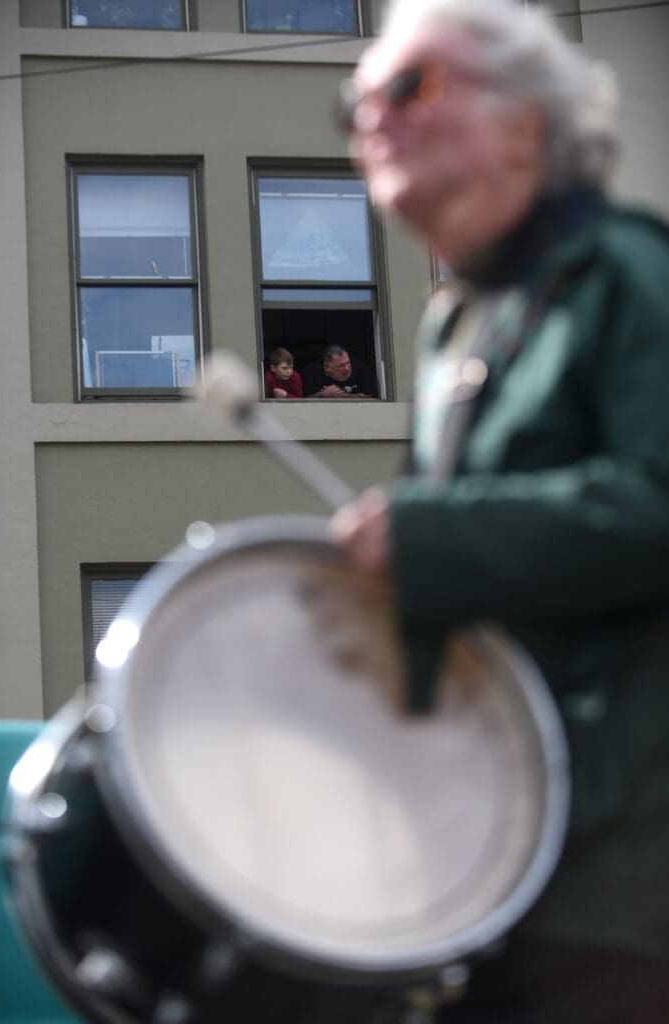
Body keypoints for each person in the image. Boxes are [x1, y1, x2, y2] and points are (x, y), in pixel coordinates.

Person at [329, 0, 669, 1020]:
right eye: (353, 102)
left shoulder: (626, 273)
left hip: (624, 881)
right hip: (492, 859)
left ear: (523, 124)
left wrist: (432, 537)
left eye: (409, 86)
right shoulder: (454, 326)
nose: (371, 117)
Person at [302, 344, 376, 398]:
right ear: (327, 367)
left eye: (348, 363)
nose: (347, 368)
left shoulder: (359, 368)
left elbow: (370, 395)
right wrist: (323, 395)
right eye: (340, 366)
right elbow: (304, 398)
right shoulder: (312, 371)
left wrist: (346, 396)